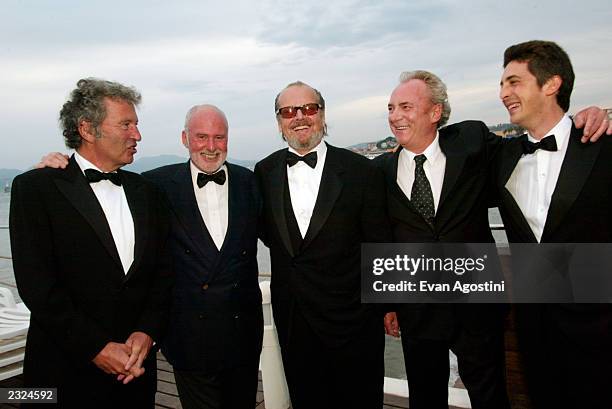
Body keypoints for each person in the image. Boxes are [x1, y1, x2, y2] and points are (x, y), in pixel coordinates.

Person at [377, 70, 611, 409]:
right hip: (418, 308)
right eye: (390, 108)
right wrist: (388, 303)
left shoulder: (471, 141)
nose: (395, 116)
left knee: (490, 396)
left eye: (406, 106)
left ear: (435, 112)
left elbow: (533, 145)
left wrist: (581, 120)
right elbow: (381, 235)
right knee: (425, 397)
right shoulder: (380, 171)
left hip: (477, 304)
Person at [9, 78, 173, 408]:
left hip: (136, 375)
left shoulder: (148, 193)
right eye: (126, 124)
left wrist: (147, 333)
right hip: (63, 375)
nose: (137, 135)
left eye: (136, 125)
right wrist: (96, 348)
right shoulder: (36, 189)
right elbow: (37, 286)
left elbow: (162, 274)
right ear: (87, 128)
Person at [254, 81, 391, 409]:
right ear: (279, 122)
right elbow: (266, 233)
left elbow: (380, 242)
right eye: (288, 111)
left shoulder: (361, 171)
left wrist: (388, 305)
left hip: (354, 322)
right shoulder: (264, 171)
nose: (299, 117)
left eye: (309, 108)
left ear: (323, 114)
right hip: (294, 323)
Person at [496, 40, 612, 409]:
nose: (503, 93)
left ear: (551, 84)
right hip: (535, 334)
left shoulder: (602, 147)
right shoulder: (500, 157)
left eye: (513, 82)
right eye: (502, 85)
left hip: (601, 334)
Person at [142, 105, 263, 409]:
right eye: (201, 137)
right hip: (189, 336)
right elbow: (98, 185)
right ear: (185, 138)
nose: (211, 147)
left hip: (242, 334)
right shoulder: (153, 185)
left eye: (219, 137)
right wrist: (57, 167)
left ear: (228, 139)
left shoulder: (250, 182)